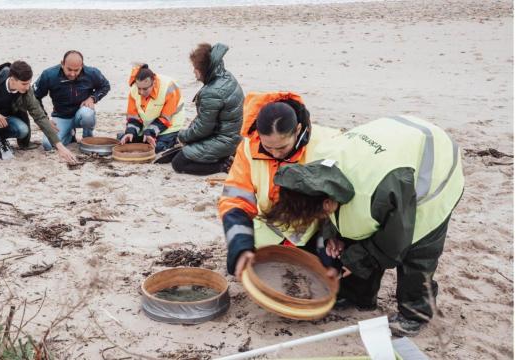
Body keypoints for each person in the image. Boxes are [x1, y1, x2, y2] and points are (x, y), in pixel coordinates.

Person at [264, 115, 464, 336]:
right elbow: (332, 210)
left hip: (435, 166)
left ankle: (415, 313)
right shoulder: (320, 162)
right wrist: (333, 234)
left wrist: (356, 260)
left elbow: (395, 240)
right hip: (391, 140)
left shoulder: (378, 189)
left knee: (417, 252)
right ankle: (358, 296)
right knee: (356, 234)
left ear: (329, 202)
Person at [218, 91, 340, 278]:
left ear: (298, 130)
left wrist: (333, 236)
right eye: (268, 148)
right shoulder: (248, 148)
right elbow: (235, 199)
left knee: (334, 272)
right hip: (269, 226)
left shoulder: (328, 144)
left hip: (312, 228)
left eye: (282, 147)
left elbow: (341, 201)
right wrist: (241, 245)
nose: (275, 154)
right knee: (236, 262)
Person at [0, 61, 77, 163]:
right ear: (13, 80)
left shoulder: (26, 90)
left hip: (5, 121)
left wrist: (59, 146)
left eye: (29, 83)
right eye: (24, 84)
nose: (27, 87)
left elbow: (39, 116)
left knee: (23, 130)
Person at [170, 42, 244, 175]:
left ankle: (224, 166)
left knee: (179, 163)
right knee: (188, 147)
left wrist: (183, 136)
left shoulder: (211, 91)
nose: (193, 72)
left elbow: (204, 128)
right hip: (234, 134)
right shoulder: (225, 76)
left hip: (225, 140)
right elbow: (207, 119)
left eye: (195, 68)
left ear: (204, 70)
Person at [34, 50, 111, 150]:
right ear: (62, 64)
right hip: (61, 116)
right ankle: (70, 135)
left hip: (81, 113)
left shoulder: (92, 73)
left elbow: (105, 86)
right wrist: (45, 119)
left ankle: (87, 138)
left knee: (87, 114)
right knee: (48, 144)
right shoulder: (49, 75)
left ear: (82, 66)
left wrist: (93, 98)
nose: (72, 74)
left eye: (76, 70)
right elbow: (35, 97)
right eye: (69, 69)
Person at [119, 64, 185, 153]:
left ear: (153, 83)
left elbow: (166, 119)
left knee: (157, 148)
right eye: (139, 88)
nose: (141, 92)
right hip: (147, 125)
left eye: (145, 89)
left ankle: (175, 139)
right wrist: (130, 132)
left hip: (169, 125)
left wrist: (150, 132)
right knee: (123, 140)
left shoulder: (169, 88)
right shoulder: (134, 89)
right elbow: (133, 117)